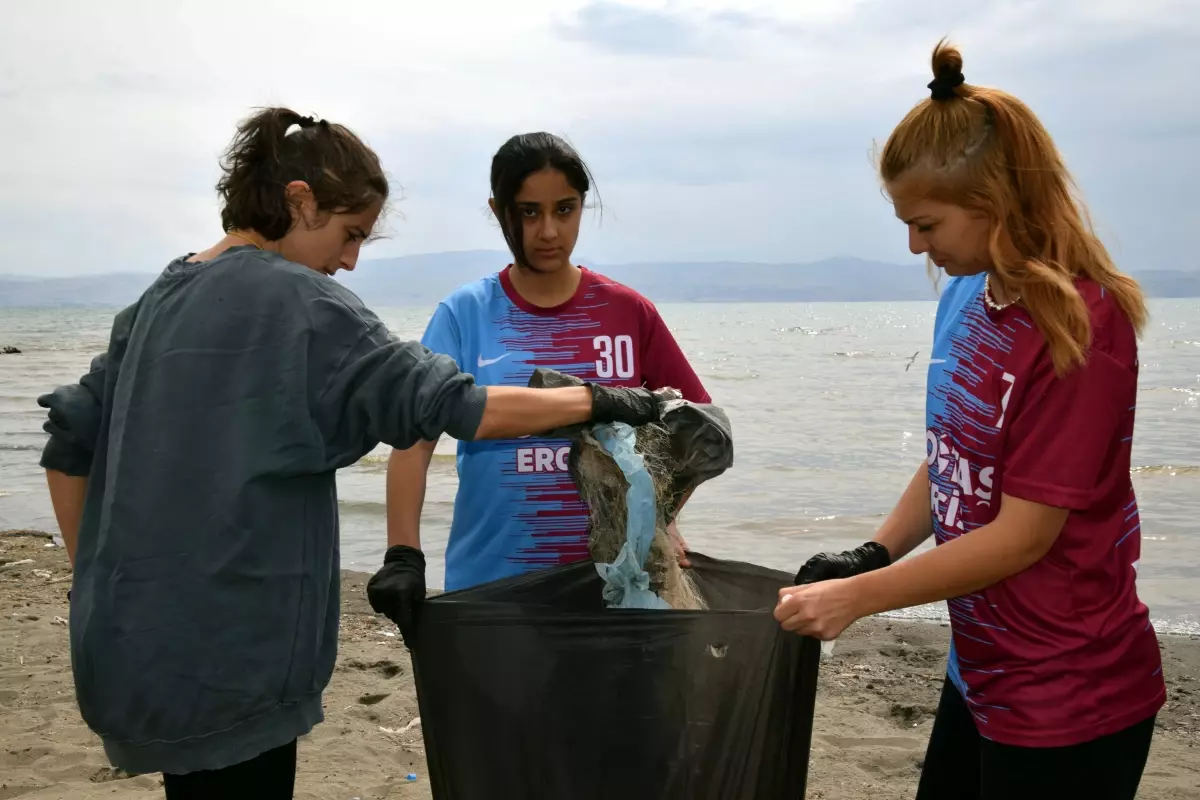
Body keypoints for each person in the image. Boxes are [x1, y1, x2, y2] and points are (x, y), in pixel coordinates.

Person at [36, 108, 665, 799]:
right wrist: (596, 401)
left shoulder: (156, 299)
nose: (349, 260)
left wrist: (95, 580)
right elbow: (455, 405)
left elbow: (68, 446)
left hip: (137, 650)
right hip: (241, 659)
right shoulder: (303, 303)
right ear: (300, 202)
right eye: (350, 234)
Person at [774, 41, 1164, 800]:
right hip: (980, 669)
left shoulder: (1079, 329)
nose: (914, 245)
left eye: (926, 223)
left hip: (1072, 694)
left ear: (996, 202)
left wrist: (860, 600)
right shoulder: (965, 297)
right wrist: (871, 554)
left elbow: (1026, 535)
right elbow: (952, 458)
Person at [381, 132, 709, 624]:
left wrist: (662, 516)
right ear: (498, 210)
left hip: (616, 587)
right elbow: (412, 442)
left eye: (565, 209)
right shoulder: (465, 314)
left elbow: (698, 428)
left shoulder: (628, 312)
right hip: (492, 582)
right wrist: (403, 553)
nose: (549, 230)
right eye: (529, 212)